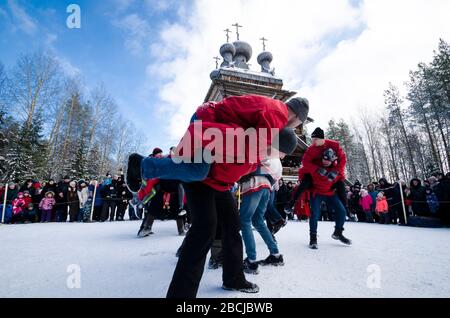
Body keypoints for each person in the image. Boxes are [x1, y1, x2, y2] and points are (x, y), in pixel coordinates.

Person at [127, 95, 309, 297]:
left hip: (219, 184)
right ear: (275, 143)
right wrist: (184, 154)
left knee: (232, 225)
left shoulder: (254, 154)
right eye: (283, 153)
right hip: (200, 179)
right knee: (205, 227)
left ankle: (233, 278)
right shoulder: (253, 133)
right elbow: (209, 141)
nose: (282, 158)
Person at [239, 149, 296, 275]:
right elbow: (276, 178)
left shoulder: (264, 149)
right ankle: (275, 254)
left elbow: (253, 162)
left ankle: (251, 260)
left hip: (254, 183)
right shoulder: (277, 160)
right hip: (267, 187)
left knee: (245, 219)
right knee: (258, 220)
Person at [290, 127, 348, 217]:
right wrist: (316, 169)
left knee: (340, 185)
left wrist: (336, 171)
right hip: (314, 172)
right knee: (304, 183)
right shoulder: (311, 149)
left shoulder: (334, 145)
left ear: (322, 139)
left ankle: (345, 209)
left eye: (315, 139)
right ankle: (291, 203)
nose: (313, 141)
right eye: (312, 139)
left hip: (330, 171)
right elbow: (305, 162)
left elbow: (343, 159)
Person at [305, 147, 352, 249]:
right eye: (324, 159)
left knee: (342, 211)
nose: (325, 162)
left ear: (333, 160)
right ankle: (313, 238)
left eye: (328, 160)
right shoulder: (316, 164)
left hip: (330, 193)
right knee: (315, 214)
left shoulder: (336, 167)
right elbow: (306, 165)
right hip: (316, 193)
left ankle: (338, 232)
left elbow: (341, 180)